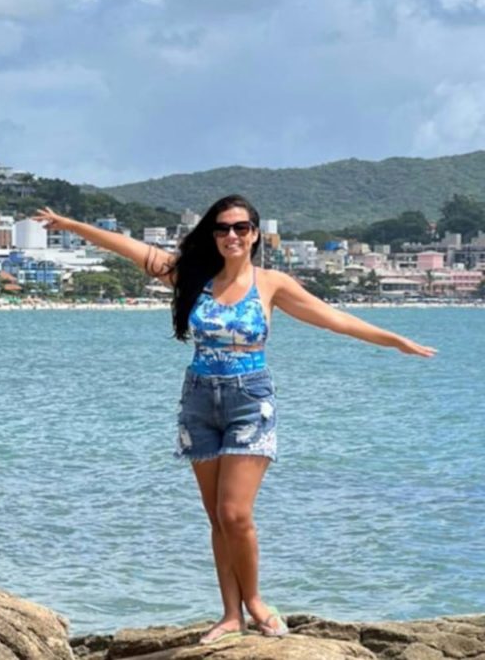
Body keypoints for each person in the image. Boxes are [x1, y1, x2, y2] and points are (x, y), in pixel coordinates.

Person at [33, 195, 435, 644]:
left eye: (240, 228)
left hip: (249, 402)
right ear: (214, 235)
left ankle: (257, 602)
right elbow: (127, 248)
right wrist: (68, 222)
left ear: (255, 234)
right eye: (223, 229)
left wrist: (393, 340)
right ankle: (230, 614)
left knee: (235, 513)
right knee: (217, 519)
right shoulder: (192, 277)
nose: (231, 236)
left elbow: (331, 319)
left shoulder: (271, 284)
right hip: (199, 402)